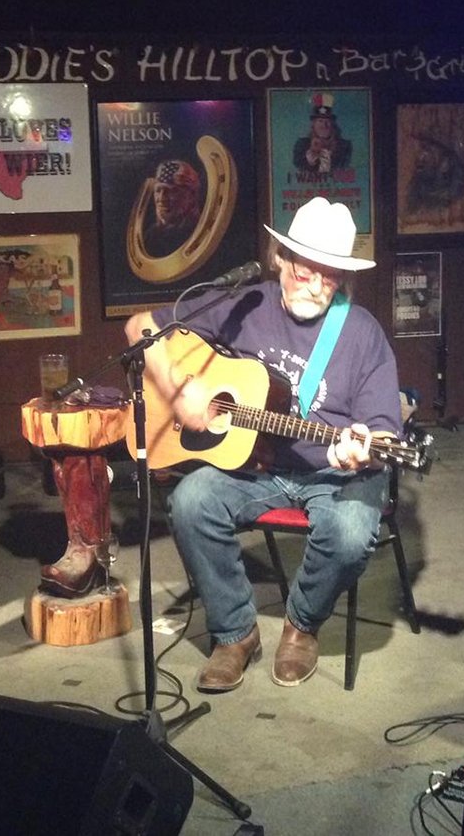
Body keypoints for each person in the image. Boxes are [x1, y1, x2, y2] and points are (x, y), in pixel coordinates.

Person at [124, 196, 400, 691]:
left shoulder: (362, 333)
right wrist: (178, 392)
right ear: (280, 259)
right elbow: (140, 328)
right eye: (304, 271)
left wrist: (363, 448)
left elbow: (382, 429)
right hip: (258, 466)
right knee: (190, 501)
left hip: (332, 471)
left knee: (352, 532)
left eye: (329, 275)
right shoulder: (244, 304)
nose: (314, 285)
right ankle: (234, 633)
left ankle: (301, 625)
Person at [142, 158, 203, 256]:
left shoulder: (201, 233)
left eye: (171, 191)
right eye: (158, 190)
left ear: (191, 195)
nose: (161, 198)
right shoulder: (151, 236)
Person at [292, 92, 353, 180]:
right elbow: (298, 167)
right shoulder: (301, 145)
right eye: (320, 121)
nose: (324, 125)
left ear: (333, 124)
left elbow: (344, 168)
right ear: (314, 124)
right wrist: (311, 158)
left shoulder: (345, 146)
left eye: (327, 121)